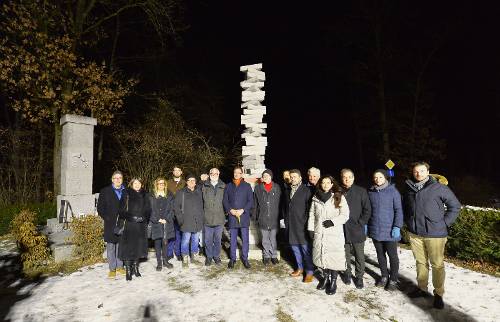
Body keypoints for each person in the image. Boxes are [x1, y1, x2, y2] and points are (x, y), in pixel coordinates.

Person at [403, 161, 461, 309]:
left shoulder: (439, 187)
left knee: (437, 265)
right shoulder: (408, 187)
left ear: (428, 172)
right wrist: (408, 222)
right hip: (415, 233)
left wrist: (444, 223)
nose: (419, 174)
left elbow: (455, 206)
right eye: (416, 171)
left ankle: (439, 294)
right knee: (420, 263)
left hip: (435, 233)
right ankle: (422, 288)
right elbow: (406, 208)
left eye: (422, 171)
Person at [308, 175, 349, 295]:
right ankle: (325, 278)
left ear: (332, 185)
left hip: (334, 233)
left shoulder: (338, 197)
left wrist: (333, 221)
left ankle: (333, 282)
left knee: (333, 257)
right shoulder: (315, 197)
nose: (325, 185)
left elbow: (345, 215)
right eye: (323, 183)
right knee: (322, 256)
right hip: (319, 232)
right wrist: (311, 229)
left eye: (328, 183)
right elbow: (312, 214)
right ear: (320, 184)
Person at [367, 169, 403, 291]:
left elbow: (398, 210)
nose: (377, 179)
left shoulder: (393, 192)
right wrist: (367, 225)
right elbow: (368, 210)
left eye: (380, 177)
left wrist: (397, 226)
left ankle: (393, 279)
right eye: (375, 177)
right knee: (380, 255)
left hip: (389, 230)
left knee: (392, 256)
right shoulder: (370, 192)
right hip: (375, 230)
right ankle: (384, 276)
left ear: (386, 178)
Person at [340, 168, 371, 289]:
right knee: (344, 254)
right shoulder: (338, 191)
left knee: (359, 255)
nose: (347, 179)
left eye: (349, 177)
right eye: (344, 177)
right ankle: (347, 273)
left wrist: (361, 222)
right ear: (342, 178)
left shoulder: (361, 191)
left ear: (353, 178)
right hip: (342, 228)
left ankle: (359, 277)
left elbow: (367, 209)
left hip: (357, 228)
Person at [283, 169, 314, 283]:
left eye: (295, 177)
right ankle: (300, 268)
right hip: (291, 225)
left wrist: (306, 223)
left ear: (300, 178)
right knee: (295, 249)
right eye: (291, 177)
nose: (292, 179)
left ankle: (309, 271)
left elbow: (310, 209)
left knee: (305, 249)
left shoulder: (306, 190)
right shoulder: (288, 191)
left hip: (302, 225)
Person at [118, 177, 151, 281]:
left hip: (141, 225)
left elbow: (148, 209)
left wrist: (144, 217)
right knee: (129, 247)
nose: (137, 185)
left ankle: (136, 268)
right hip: (129, 225)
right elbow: (121, 210)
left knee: (138, 246)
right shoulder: (126, 193)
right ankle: (128, 270)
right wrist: (131, 217)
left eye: (139, 183)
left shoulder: (145, 194)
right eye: (135, 183)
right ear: (131, 184)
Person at [223, 166, 254, 269]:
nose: (236, 174)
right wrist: (230, 210)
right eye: (235, 172)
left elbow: (251, 201)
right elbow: (225, 201)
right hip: (232, 216)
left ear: (242, 174)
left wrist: (243, 210)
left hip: (243, 216)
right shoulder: (228, 186)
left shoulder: (247, 186)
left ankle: (245, 258)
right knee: (232, 239)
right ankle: (232, 259)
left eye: (238, 173)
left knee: (245, 239)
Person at [97, 170, 126, 278]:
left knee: (120, 245)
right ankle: (112, 269)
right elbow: (100, 208)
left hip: (122, 223)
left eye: (120, 178)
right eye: (116, 178)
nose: (118, 180)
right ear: (112, 179)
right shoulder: (105, 191)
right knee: (111, 246)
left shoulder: (126, 191)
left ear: (122, 180)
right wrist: (107, 218)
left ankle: (120, 266)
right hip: (110, 223)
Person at [174, 174, 204, 267]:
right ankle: (185, 258)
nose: (191, 182)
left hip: (197, 221)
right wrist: (180, 220)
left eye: (193, 180)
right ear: (186, 182)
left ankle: (194, 257)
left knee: (195, 240)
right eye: (189, 180)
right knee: (185, 240)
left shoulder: (199, 192)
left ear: (195, 182)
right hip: (186, 221)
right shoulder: (181, 192)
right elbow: (176, 208)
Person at [254, 169, 282, 265]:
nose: (266, 177)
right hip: (263, 217)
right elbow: (255, 204)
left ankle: (273, 255)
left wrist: (280, 217)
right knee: (265, 239)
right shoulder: (258, 188)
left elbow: (280, 203)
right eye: (264, 175)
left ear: (271, 177)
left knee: (273, 238)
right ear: (262, 178)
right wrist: (255, 217)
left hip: (274, 218)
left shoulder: (277, 187)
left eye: (267, 175)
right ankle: (266, 256)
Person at [201, 168, 226, 266]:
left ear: (219, 174)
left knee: (217, 240)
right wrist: (201, 180)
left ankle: (216, 257)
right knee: (207, 240)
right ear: (209, 174)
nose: (214, 175)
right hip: (207, 218)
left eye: (216, 173)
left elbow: (226, 201)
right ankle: (209, 257)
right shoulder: (204, 186)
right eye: (212, 173)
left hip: (219, 218)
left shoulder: (223, 186)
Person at [149, 177, 175, 271]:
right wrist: (157, 219)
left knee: (165, 243)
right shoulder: (151, 196)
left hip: (166, 223)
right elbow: (149, 210)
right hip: (156, 223)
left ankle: (165, 261)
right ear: (156, 185)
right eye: (159, 184)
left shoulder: (170, 195)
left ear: (165, 185)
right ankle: (159, 263)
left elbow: (172, 209)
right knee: (157, 243)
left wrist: (166, 219)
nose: (161, 185)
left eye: (163, 184)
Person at [166, 166, 186, 261]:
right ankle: (169, 253)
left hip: (180, 212)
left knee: (179, 234)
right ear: (172, 172)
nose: (177, 172)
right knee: (170, 233)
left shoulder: (185, 183)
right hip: (169, 211)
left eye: (179, 170)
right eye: (175, 170)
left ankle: (178, 252)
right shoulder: (167, 183)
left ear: (181, 172)